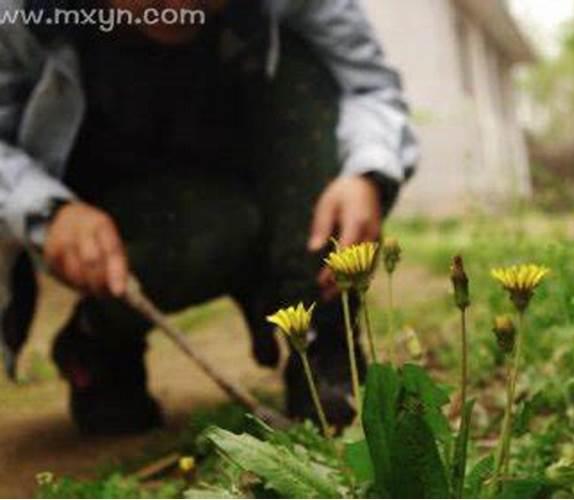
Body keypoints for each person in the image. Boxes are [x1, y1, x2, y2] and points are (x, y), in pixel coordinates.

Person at [0, 0, 417, 434]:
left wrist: (367, 174)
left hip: (253, 159)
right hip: (126, 197)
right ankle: (100, 338)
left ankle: (323, 340)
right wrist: (49, 210)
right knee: (211, 234)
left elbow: (368, 86)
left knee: (308, 55)